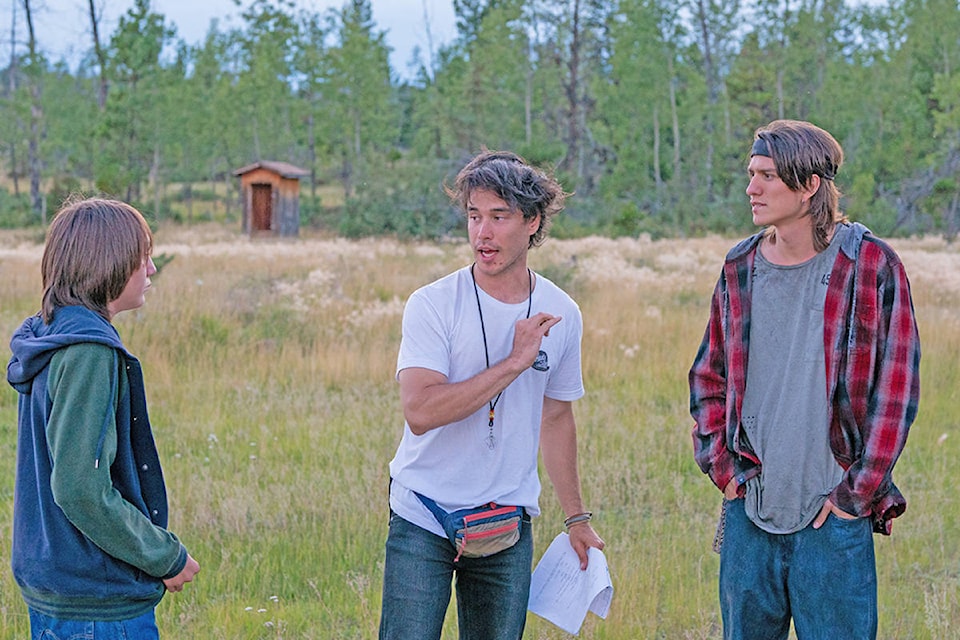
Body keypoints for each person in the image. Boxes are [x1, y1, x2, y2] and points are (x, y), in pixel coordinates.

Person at [689, 120, 921, 639]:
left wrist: (853, 496)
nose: (751, 188)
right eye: (751, 174)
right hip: (751, 514)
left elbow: (896, 392)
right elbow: (709, 376)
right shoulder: (739, 267)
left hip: (832, 519)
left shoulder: (869, 265)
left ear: (810, 184)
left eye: (767, 176)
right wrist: (725, 470)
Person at [378, 150, 604, 640]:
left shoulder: (560, 310)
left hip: (506, 523)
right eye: (474, 216)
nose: (483, 232)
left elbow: (557, 417)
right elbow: (420, 411)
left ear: (532, 222)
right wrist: (513, 363)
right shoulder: (433, 304)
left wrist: (577, 518)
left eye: (499, 217)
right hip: (424, 515)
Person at [7, 197, 200, 639]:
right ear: (108, 263)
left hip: (62, 588)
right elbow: (79, 488)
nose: (151, 269)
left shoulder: (53, 335)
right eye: (142, 257)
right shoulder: (88, 352)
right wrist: (163, 555)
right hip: (96, 604)